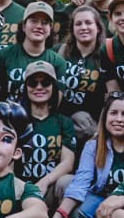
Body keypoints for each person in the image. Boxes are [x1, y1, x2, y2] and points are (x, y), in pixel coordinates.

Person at [16, 60, 79, 208]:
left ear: (53, 87)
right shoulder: (15, 120)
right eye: (33, 83)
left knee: (68, 181)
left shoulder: (64, 122)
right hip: (21, 187)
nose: (39, 87)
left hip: (50, 187)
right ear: (25, 88)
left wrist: (45, 182)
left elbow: (67, 163)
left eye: (45, 83)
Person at [0, 1, 67, 103]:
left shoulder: (57, 62)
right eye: (34, 21)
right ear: (24, 26)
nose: (39, 26)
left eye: (44, 22)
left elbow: (55, 105)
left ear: (50, 29)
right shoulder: (4, 55)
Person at [56, 4, 107, 137]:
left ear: (98, 28)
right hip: (62, 127)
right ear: (72, 29)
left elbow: (111, 96)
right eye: (78, 24)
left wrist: (100, 129)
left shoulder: (107, 55)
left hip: (93, 130)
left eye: (88, 23)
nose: (84, 27)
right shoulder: (59, 52)